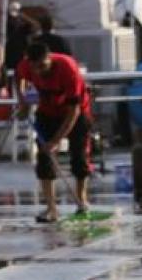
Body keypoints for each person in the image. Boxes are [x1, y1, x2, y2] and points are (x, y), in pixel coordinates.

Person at [16, 42, 94, 222]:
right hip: (47, 110)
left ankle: (81, 200)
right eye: (34, 68)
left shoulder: (68, 68)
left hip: (76, 111)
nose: (38, 72)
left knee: (79, 156)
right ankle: (51, 208)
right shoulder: (27, 65)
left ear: (49, 58)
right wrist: (23, 102)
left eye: (42, 66)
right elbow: (18, 77)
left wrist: (57, 140)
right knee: (44, 158)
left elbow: (73, 111)